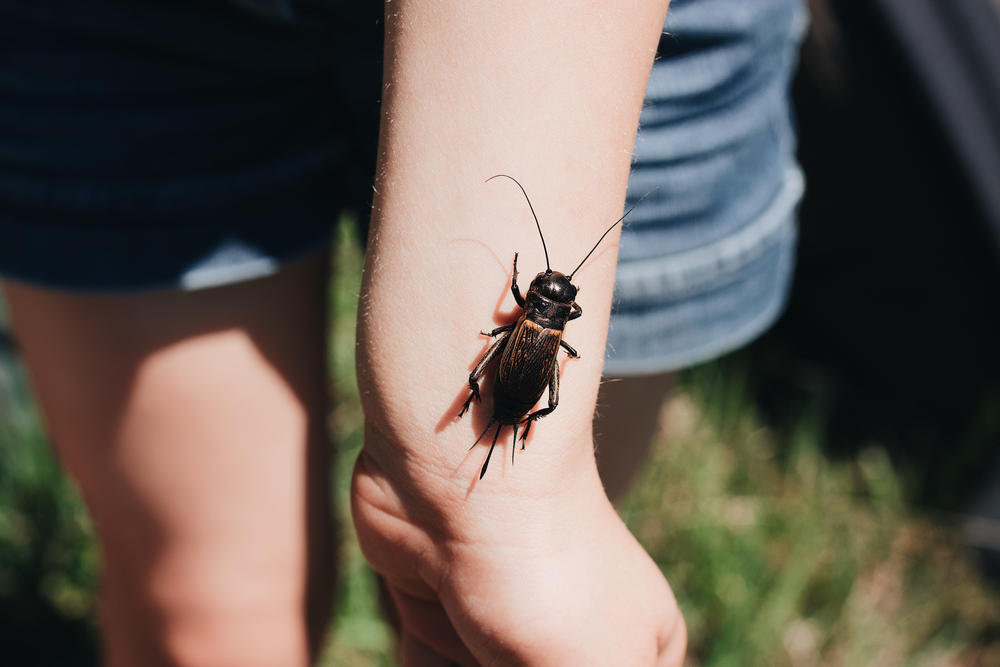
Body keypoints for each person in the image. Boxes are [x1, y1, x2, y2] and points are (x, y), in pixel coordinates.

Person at [0, 0, 805, 663]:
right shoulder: (543, 328)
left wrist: (512, 504)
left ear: (545, 308)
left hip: (606, 44)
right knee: (205, 620)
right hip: (112, 32)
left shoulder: (526, 320)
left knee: (464, 626)